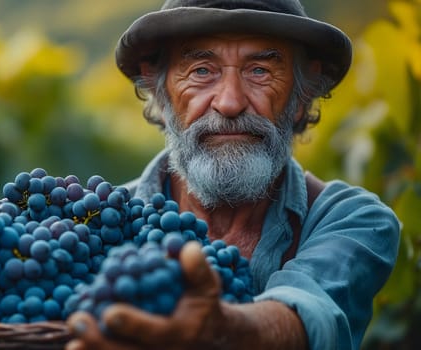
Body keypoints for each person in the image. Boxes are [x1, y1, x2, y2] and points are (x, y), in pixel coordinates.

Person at [64, 0, 401, 349]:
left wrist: (222, 329)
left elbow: (309, 313)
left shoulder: (354, 221)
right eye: (201, 71)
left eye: (259, 71)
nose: (229, 102)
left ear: (301, 98)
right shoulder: (92, 225)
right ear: (161, 96)